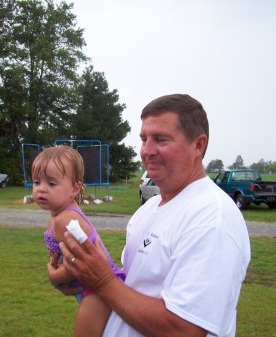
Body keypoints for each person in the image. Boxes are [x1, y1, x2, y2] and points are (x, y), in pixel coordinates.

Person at [57, 94, 251, 337]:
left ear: (198, 146)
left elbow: (184, 330)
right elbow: (134, 286)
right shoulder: (149, 208)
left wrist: (103, 282)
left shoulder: (212, 217)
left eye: (160, 139)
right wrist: (83, 279)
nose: (147, 151)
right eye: (143, 139)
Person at [32, 145, 125, 337]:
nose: (41, 189)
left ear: (74, 188)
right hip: (91, 288)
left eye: (51, 183)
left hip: (99, 292)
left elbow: (85, 263)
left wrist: (54, 277)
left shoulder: (65, 220)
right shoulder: (59, 216)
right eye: (36, 182)